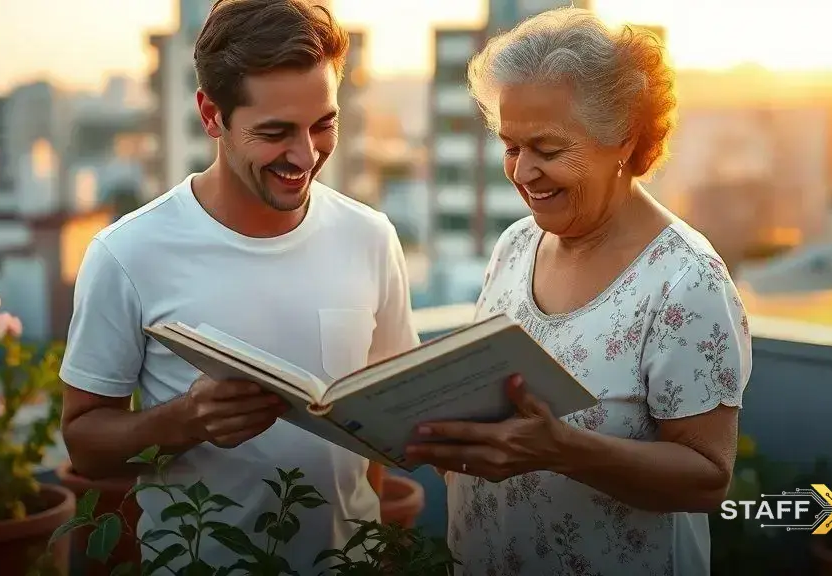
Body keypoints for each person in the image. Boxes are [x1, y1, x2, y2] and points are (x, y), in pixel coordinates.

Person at [58, 0, 419, 572]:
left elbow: (381, 430)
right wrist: (185, 421)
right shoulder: (126, 253)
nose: (305, 155)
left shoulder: (370, 237)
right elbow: (84, 442)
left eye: (323, 124)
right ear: (210, 114)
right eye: (275, 133)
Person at [404, 8, 752, 576]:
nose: (522, 173)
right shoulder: (516, 246)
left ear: (624, 140)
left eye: (548, 148)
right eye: (511, 146)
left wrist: (560, 450)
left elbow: (707, 478)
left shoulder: (685, 281)